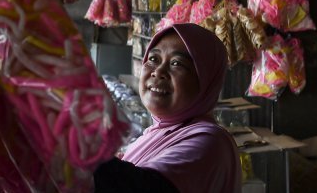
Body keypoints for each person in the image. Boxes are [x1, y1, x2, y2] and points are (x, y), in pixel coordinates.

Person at [94, 22, 241, 193]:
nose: (158, 71)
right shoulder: (154, 134)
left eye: (177, 63)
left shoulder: (210, 142)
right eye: (153, 59)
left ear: (206, 80)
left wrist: (73, 140)